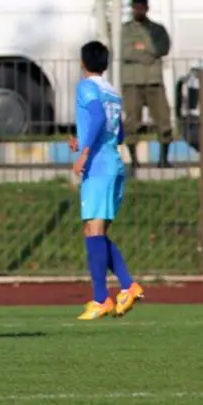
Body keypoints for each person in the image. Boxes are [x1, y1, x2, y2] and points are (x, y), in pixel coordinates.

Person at [71, 41, 144, 321]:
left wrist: (85, 152)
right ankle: (126, 286)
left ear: (82, 62)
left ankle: (102, 298)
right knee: (94, 232)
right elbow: (119, 133)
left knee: (94, 231)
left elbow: (99, 118)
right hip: (113, 162)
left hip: (98, 166)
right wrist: (82, 140)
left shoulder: (87, 87)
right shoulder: (112, 91)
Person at [122, 0, 173, 169]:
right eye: (136, 8)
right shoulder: (125, 30)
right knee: (131, 121)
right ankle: (133, 160)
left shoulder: (157, 29)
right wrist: (149, 52)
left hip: (153, 81)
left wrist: (143, 47)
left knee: (163, 119)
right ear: (132, 8)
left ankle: (164, 159)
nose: (139, 11)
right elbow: (124, 51)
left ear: (147, 8)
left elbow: (163, 47)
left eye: (142, 8)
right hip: (132, 82)